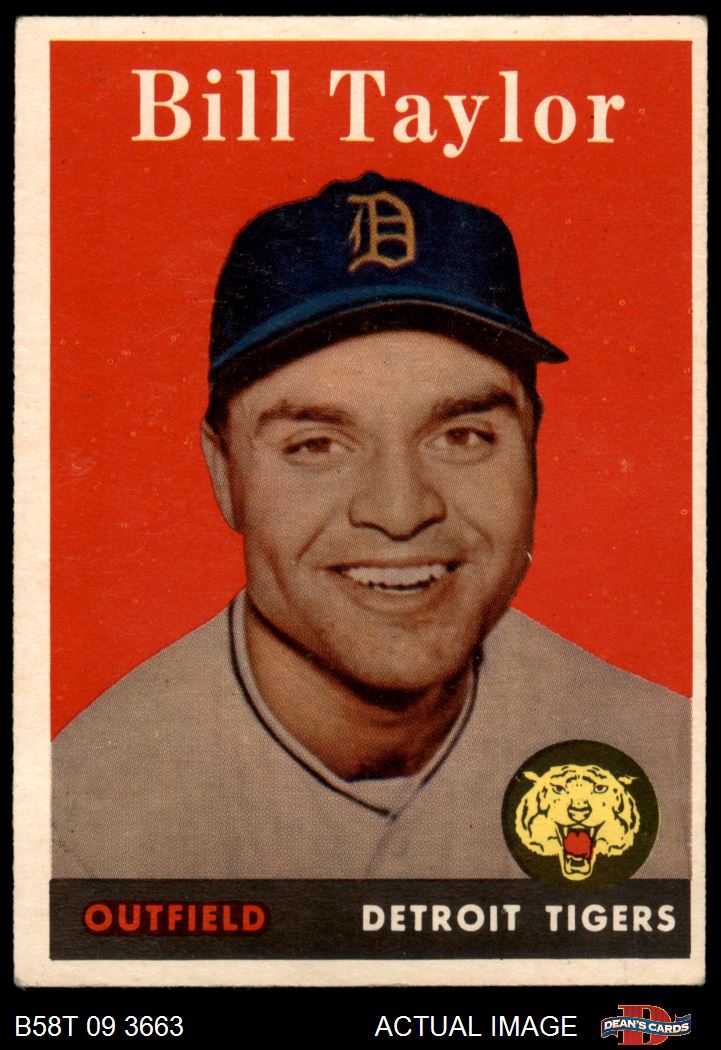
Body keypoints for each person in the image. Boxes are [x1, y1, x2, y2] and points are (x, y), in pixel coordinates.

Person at [53, 173, 690, 879]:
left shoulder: (671, 764)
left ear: (532, 443)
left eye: (462, 436)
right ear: (224, 472)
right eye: (316, 445)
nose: (399, 511)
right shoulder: (81, 828)